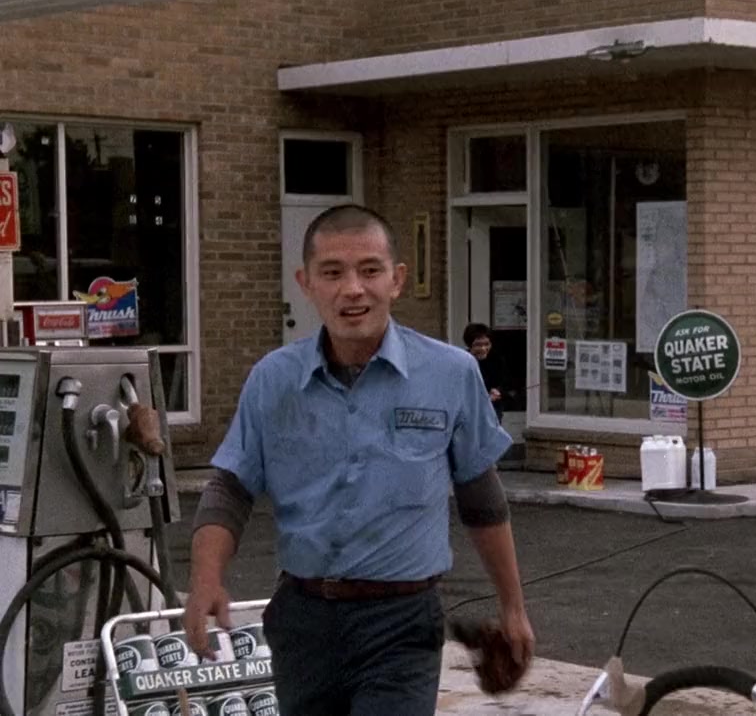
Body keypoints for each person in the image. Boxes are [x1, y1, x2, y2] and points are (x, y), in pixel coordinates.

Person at [182, 204, 535, 715]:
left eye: (370, 270)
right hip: (303, 622)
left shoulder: (451, 374)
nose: (353, 289)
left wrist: (513, 607)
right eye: (332, 273)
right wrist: (205, 580)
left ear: (397, 279)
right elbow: (230, 489)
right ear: (306, 283)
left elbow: (481, 497)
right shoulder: (272, 380)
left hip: (402, 622)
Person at [463, 321, 509, 424]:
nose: (483, 349)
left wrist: (498, 391)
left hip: (492, 409)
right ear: (469, 345)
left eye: (487, 344)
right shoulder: (463, 361)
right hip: (469, 410)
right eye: (478, 345)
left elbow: (506, 382)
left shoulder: (497, 360)